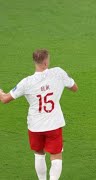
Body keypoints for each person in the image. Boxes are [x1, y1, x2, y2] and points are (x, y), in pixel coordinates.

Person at [0, 49, 78, 180]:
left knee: (39, 153)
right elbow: (74, 88)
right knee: (56, 155)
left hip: (35, 126)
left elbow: (5, 99)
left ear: (34, 62)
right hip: (54, 124)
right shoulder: (58, 72)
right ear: (46, 62)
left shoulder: (26, 82)